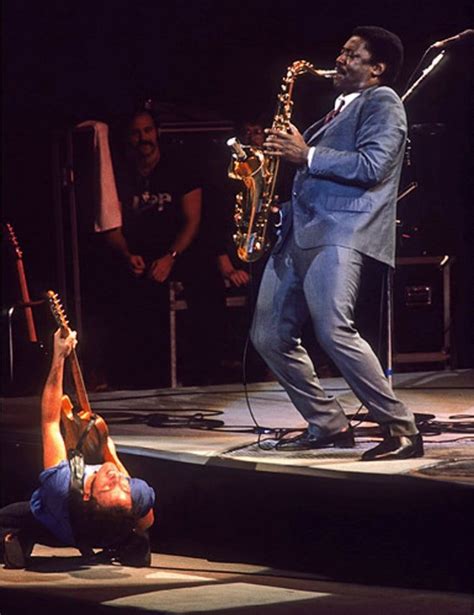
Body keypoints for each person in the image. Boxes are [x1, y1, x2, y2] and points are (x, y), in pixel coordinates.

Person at [251, 26, 424, 460]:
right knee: (268, 333)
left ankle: (402, 428)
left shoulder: (384, 102)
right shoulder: (333, 113)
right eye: (342, 51)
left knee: (334, 329)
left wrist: (305, 154)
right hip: (298, 234)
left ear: (376, 69)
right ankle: (327, 423)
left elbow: (373, 165)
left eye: (352, 54)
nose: (340, 59)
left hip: (339, 232)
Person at [0, 329, 155, 568]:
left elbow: (50, 421)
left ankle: (18, 539)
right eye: (124, 484)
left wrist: (58, 357)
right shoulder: (133, 497)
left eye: (110, 485)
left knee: (10, 517)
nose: (117, 477)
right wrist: (108, 453)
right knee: (137, 532)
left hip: (52, 529)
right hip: (108, 537)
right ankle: (130, 547)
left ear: (86, 494)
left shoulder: (60, 486)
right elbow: (146, 522)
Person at [103, 105, 227, 386]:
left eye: (147, 130)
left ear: (156, 133)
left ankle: (208, 373)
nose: (143, 138)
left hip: (178, 250)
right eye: (136, 133)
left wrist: (171, 256)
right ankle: (140, 377)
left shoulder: (181, 166)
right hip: (138, 253)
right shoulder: (120, 174)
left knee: (205, 283)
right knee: (126, 291)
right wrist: (126, 254)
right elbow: (110, 225)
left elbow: (192, 220)